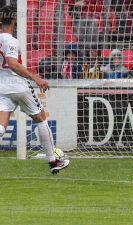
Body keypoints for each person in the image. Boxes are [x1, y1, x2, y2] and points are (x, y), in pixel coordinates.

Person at [0, 6, 69, 174]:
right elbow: (13, 64)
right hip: (18, 85)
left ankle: (53, 160)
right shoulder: (10, 40)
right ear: (14, 20)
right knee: (41, 118)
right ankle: (53, 161)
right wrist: (36, 78)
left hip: (2, 86)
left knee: (1, 126)